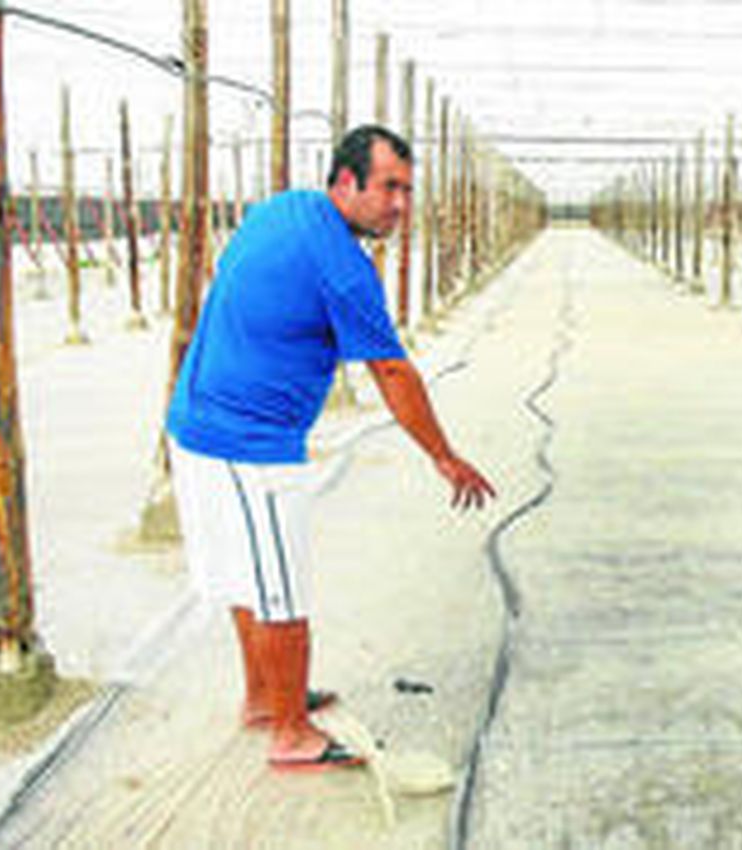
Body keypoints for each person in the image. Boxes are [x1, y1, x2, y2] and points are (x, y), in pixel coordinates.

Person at [165, 125, 495, 772]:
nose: (401, 205)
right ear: (346, 182)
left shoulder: (286, 208)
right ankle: (292, 734)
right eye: (389, 188)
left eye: (407, 190)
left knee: (250, 575)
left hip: (197, 422)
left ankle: (266, 698)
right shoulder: (345, 269)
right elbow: (392, 372)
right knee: (281, 590)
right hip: (247, 444)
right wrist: (444, 456)